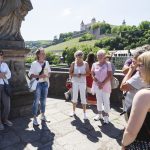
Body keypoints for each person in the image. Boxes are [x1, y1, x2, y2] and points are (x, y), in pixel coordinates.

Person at [121, 51, 150, 150]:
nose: (137, 68)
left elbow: (131, 132)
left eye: (140, 65)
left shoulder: (144, 95)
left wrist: (124, 144)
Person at [120, 50, 147, 121]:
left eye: (135, 62)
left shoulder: (140, 75)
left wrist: (130, 71)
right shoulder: (145, 72)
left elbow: (122, 87)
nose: (133, 64)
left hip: (133, 107)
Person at [28, 48, 51, 126]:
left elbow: (50, 72)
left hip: (45, 83)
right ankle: (34, 118)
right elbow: (30, 74)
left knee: (44, 101)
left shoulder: (47, 62)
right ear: (38, 55)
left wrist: (48, 75)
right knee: (36, 101)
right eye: (42, 53)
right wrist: (39, 76)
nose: (44, 55)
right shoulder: (34, 63)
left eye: (44, 53)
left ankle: (43, 115)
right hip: (38, 84)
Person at [91, 50, 112, 124]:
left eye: (101, 55)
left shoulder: (108, 64)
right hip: (97, 85)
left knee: (106, 101)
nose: (99, 57)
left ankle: (106, 116)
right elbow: (92, 74)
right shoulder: (94, 64)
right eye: (98, 55)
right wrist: (97, 82)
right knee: (98, 100)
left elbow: (110, 75)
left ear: (104, 56)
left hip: (105, 85)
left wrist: (102, 83)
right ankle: (99, 114)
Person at [69, 50, 90, 120]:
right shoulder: (73, 63)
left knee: (83, 97)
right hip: (75, 82)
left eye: (81, 55)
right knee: (74, 97)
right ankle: (73, 111)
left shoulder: (85, 63)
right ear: (76, 56)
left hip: (82, 82)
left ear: (82, 56)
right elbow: (70, 73)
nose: (80, 56)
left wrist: (81, 74)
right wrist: (75, 75)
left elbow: (88, 73)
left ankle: (84, 113)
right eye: (78, 55)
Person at [0, 50, 13, 130]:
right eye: (0, 54)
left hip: (5, 85)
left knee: (7, 105)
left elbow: (9, 75)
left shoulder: (4, 64)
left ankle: (4, 120)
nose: (1, 56)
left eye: (2, 55)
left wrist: (3, 75)